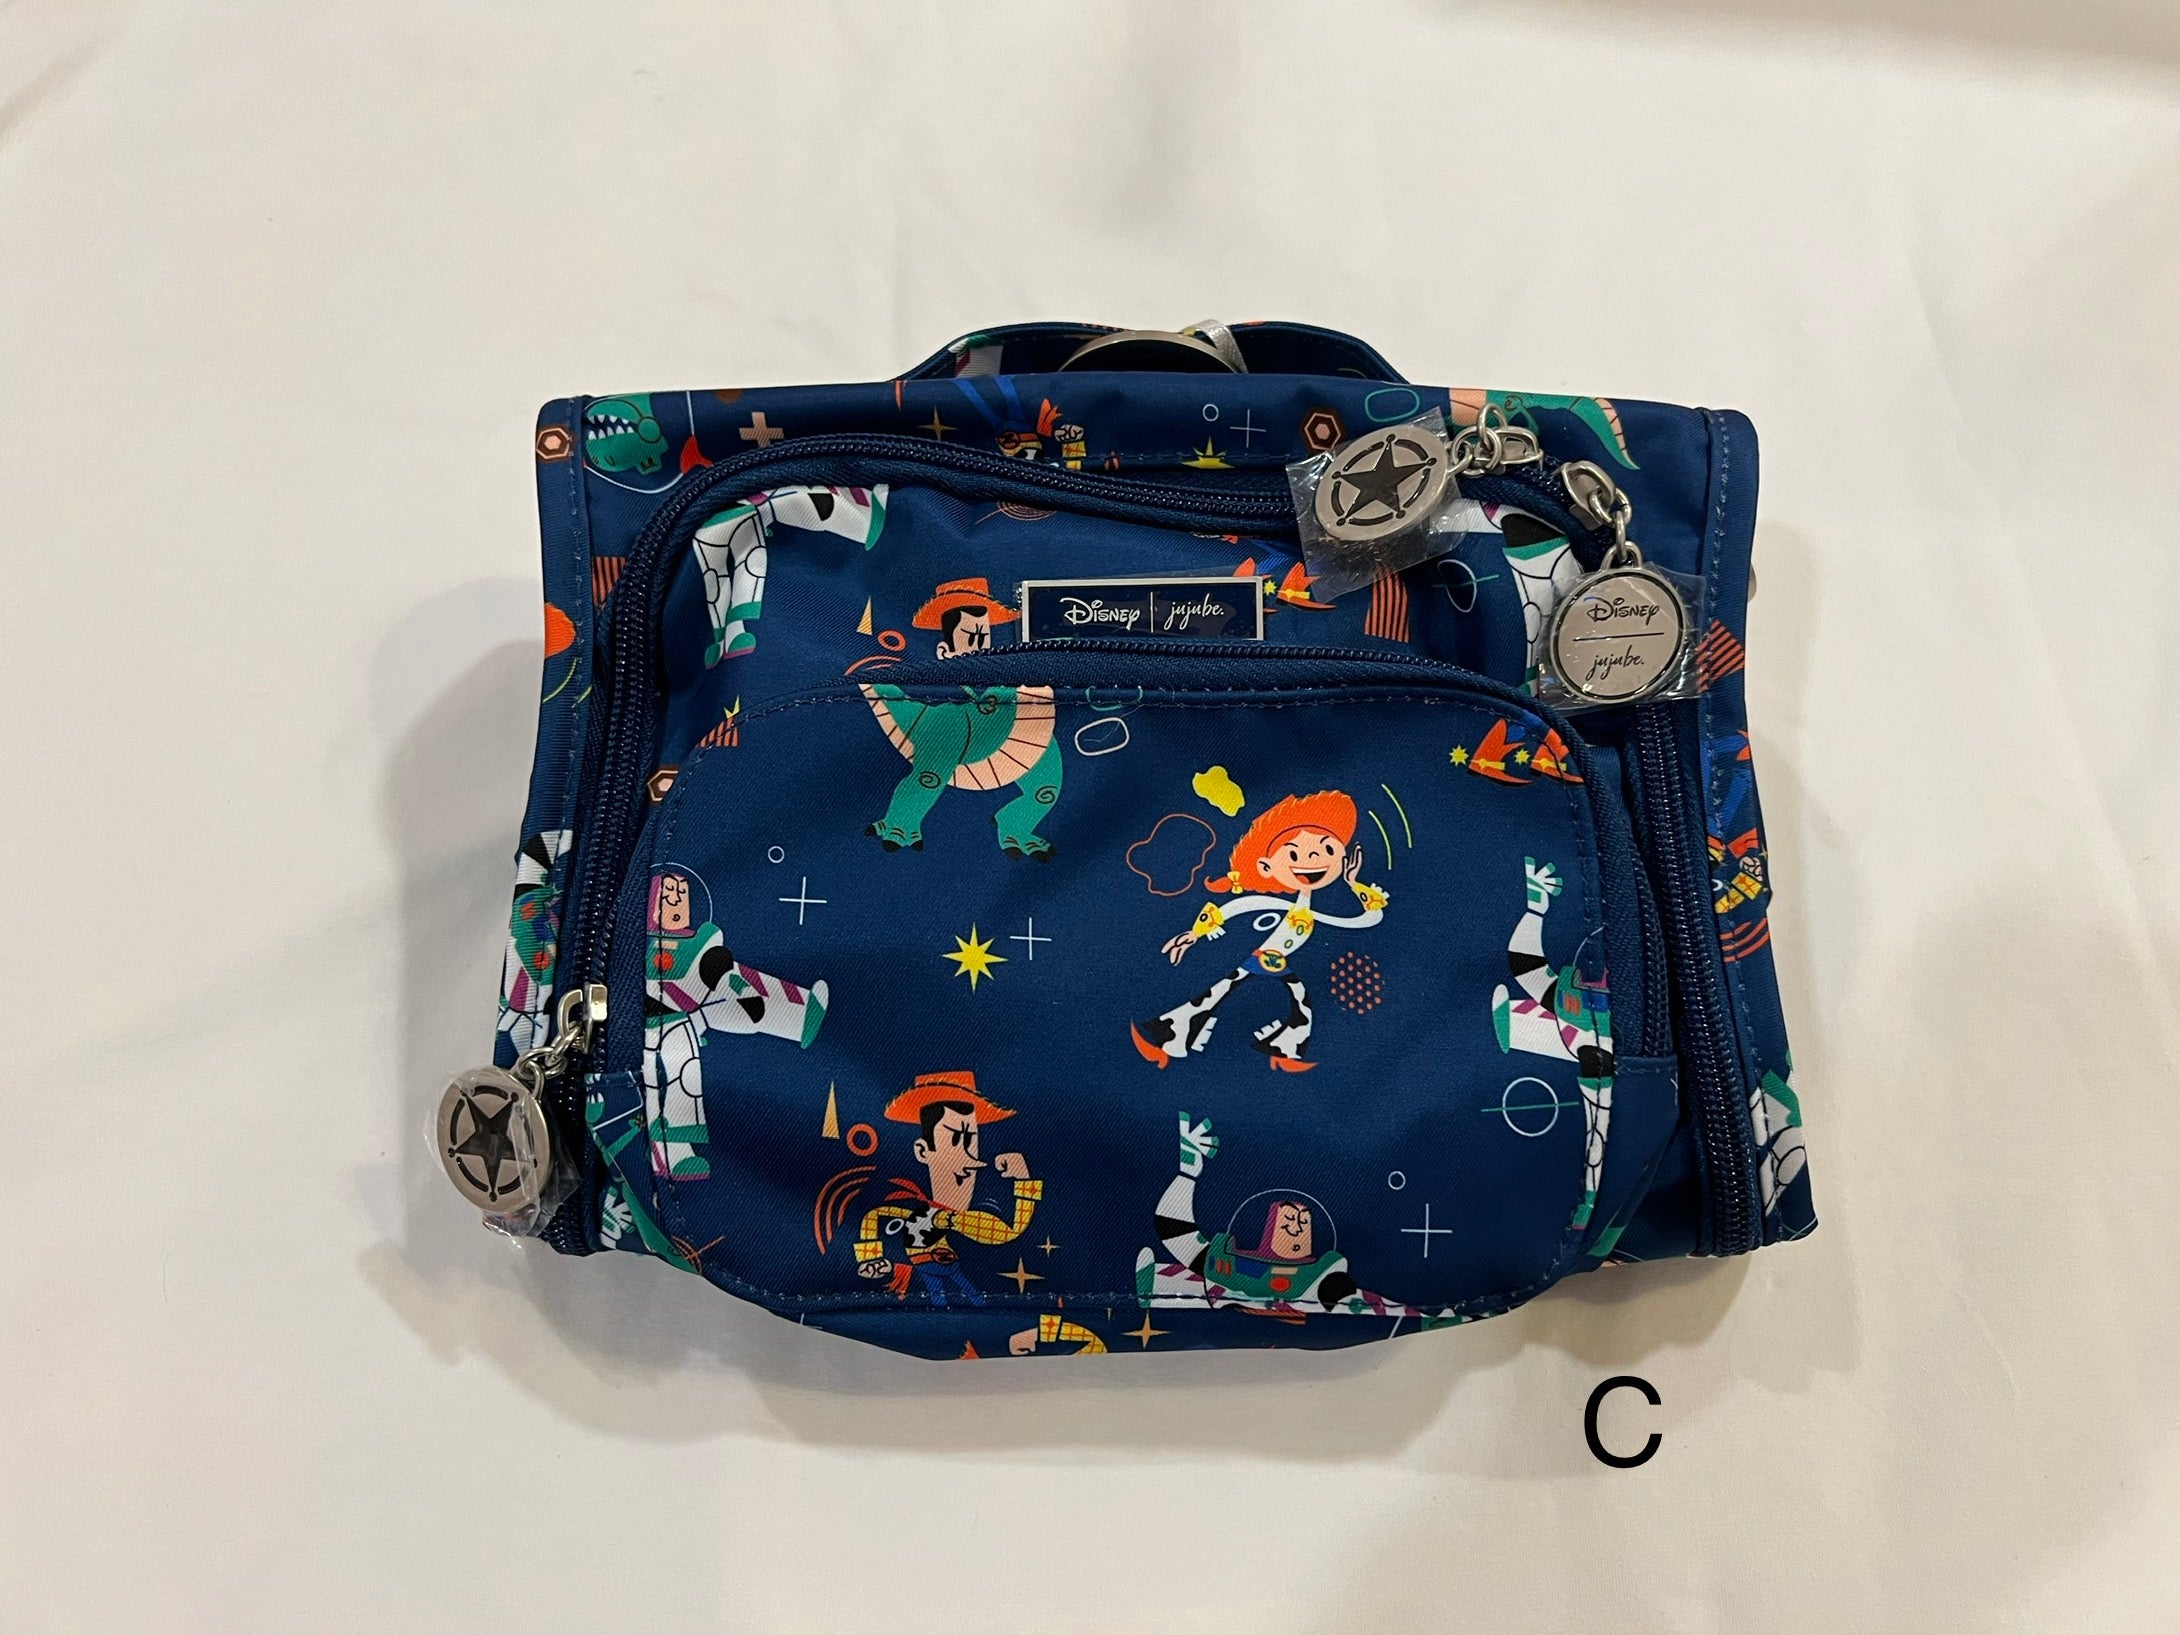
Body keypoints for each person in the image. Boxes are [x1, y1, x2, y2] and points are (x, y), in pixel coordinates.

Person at [1131, 790, 1388, 1072]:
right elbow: (1232, 909)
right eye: (1294, 853)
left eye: (1328, 850)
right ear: (1266, 867)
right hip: (1256, 958)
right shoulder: (1277, 903)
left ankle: (1282, 1049)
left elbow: (1368, 919)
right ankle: (1168, 1038)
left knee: (1288, 998)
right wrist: (1195, 934)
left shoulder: (1310, 910)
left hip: (1277, 963)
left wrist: (1353, 883)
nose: (1315, 857)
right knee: (1218, 993)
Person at [853, 1071, 1042, 1306]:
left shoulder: (959, 1219)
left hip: (949, 1274)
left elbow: (1009, 1232)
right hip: (924, 1278)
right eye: (955, 1140)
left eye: (971, 1140)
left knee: (965, 1297)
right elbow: (874, 1216)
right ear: (923, 1151)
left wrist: (1023, 1180)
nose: (972, 1160)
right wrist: (870, 1258)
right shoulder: (913, 1208)